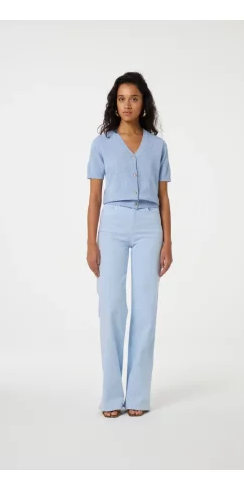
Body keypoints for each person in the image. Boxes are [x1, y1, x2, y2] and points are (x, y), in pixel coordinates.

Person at [86, 71, 173, 418]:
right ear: (114, 103)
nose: (127, 105)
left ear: (143, 103)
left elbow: (164, 198)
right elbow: (94, 198)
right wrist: (91, 243)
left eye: (134, 98)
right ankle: (111, 395)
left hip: (150, 225)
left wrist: (168, 242)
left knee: (145, 308)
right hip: (113, 224)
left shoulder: (158, 146)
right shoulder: (102, 144)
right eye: (121, 99)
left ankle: (137, 394)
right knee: (111, 307)